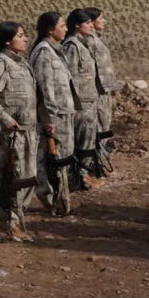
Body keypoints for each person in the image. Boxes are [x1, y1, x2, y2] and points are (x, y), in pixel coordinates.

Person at [0, 22, 36, 242]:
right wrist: (4, 118)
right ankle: (8, 225)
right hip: (12, 133)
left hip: (28, 130)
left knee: (27, 178)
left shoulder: (22, 63)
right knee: (12, 179)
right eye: (20, 36)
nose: (25, 39)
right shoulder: (1, 64)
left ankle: (16, 223)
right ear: (7, 41)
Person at [29, 12, 77, 211]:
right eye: (62, 25)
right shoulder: (44, 52)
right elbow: (45, 88)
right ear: (50, 29)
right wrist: (49, 117)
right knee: (54, 160)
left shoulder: (55, 50)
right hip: (53, 118)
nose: (66, 29)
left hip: (63, 114)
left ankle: (62, 200)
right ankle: (52, 199)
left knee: (64, 158)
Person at [63, 9, 105, 187]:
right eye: (87, 23)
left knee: (88, 137)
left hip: (89, 99)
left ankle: (84, 175)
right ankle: (78, 178)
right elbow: (69, 77)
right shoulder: (72, 45)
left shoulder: (83, 43)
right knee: (81, 139)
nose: (91, 25)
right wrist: (72, 103)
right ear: (76, 25)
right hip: (81, 102)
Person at [84, 7, 119, 155]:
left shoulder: (96, 38)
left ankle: (103, 159)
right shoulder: (88, 40)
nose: (104, 21)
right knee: (99, 125)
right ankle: (98, 160)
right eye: (101, 18)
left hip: (104, 90)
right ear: (91, 21)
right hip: (96, 90)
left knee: (105, 124)